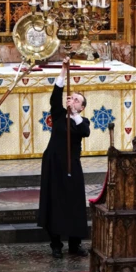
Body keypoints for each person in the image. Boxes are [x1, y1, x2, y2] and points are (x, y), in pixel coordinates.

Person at [38, 57, 91, 258]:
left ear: (82, 107)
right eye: (72, 98)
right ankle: (56, 244)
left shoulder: (82, 121)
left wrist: (75, 114)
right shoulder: (59, 115)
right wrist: (63, 70)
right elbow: (55, 96)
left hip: (72, 164)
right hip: (53, 163)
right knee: (55, 201)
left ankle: (75, 244)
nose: (73, 100)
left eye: (77, 100)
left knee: (74, 202)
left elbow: (85, 132)